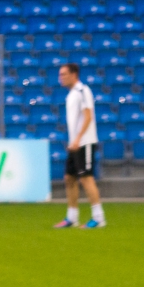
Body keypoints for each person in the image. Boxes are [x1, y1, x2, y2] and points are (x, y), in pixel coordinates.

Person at [53, 63, 106, 228]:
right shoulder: (71, 95)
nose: (61, 78)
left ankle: (99, 218)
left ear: (74, 74)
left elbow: (88, 116)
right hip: (75, 143)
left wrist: (78, 139)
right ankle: (72, 217)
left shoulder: (83, 91)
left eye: (63, 74)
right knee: (69, 178)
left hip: (84, 142)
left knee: (86, 178)